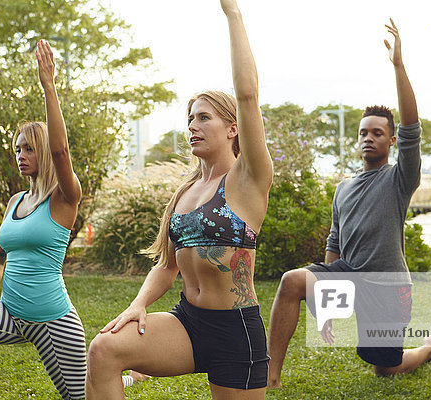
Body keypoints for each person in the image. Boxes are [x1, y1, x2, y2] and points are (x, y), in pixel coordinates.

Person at [85, 1, 273, 399]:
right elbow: (167, 265)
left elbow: (249, 94)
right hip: (187, 323)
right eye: (190, 118)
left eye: (204, 117)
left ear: (232, 128)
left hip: (235, 331)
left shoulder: (246, 180)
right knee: (104, 348)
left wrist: (233, 15)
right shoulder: (184, 192)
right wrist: (139, 303)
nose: (193, 125)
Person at [267, 19, 431, 388]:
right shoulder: (343, 188)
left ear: (391, 141)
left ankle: (428, 349)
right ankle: (271, 377)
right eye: (364, 132)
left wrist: (398, 65)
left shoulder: (399, 178)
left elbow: (412, 128)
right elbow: (334, 246)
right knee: (291, 282)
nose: (368, 138)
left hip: (387, 286)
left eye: (378, 133)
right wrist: (326, 308)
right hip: (349, 274)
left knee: (384, 368)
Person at [0, 40, 85, 399]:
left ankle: (124, 380)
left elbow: (61, 150)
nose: (21, 155)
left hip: (54, 323)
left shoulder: (65, 197)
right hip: (7, 315)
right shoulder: (15, 201)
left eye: (29, 148)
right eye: (18, 149)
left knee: (82, 396)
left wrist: (48, 87)